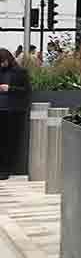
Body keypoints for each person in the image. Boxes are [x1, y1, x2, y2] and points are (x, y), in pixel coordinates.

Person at [0, 48, 32, 180]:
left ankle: (6, 169)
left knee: (10, 141)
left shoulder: (20, 72)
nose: (2, 64)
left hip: (13, 111)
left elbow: (27, 90)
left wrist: (10, 89)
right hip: (1, 110)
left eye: (3, 61)